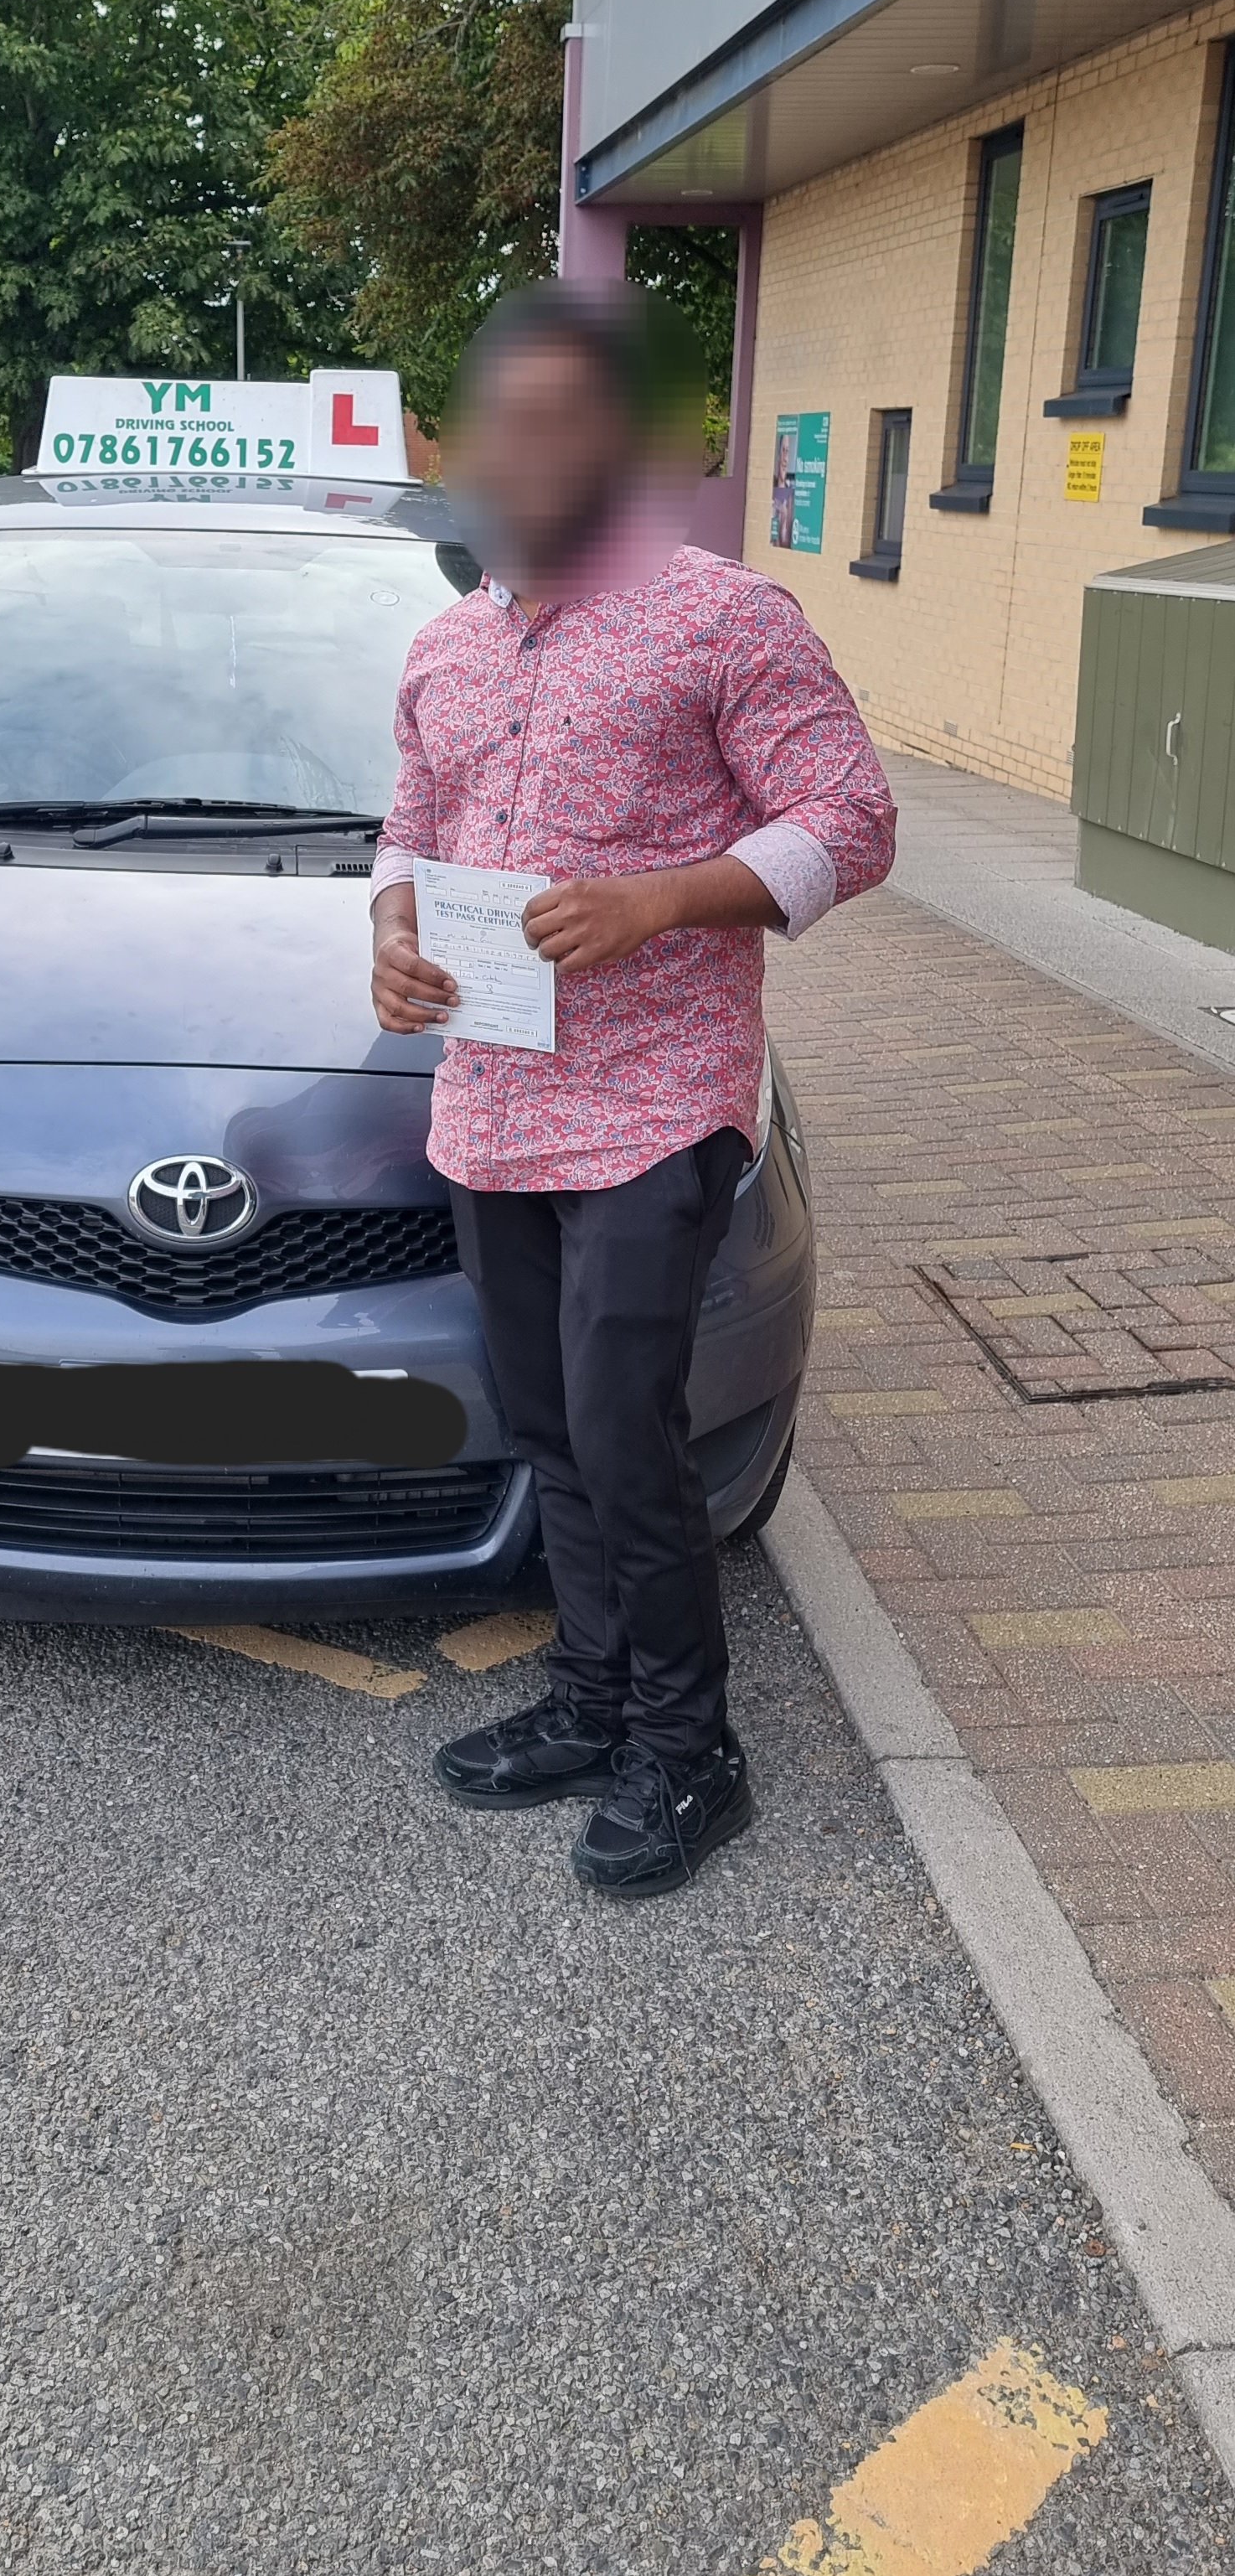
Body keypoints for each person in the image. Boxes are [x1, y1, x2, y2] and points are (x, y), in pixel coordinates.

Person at [369, 282, 895, 1898]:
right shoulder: (446, 645)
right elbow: (412, 832)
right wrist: (391, 929)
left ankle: (689, 1749)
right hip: (494, 1104)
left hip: (656, 1098)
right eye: (501, 427)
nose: (529, 457)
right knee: (547, 1425)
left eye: (563, 421)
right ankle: (590, 1701)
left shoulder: (723, 615)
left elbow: (853, 820)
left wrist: (662, 899)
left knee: (622, 1422)